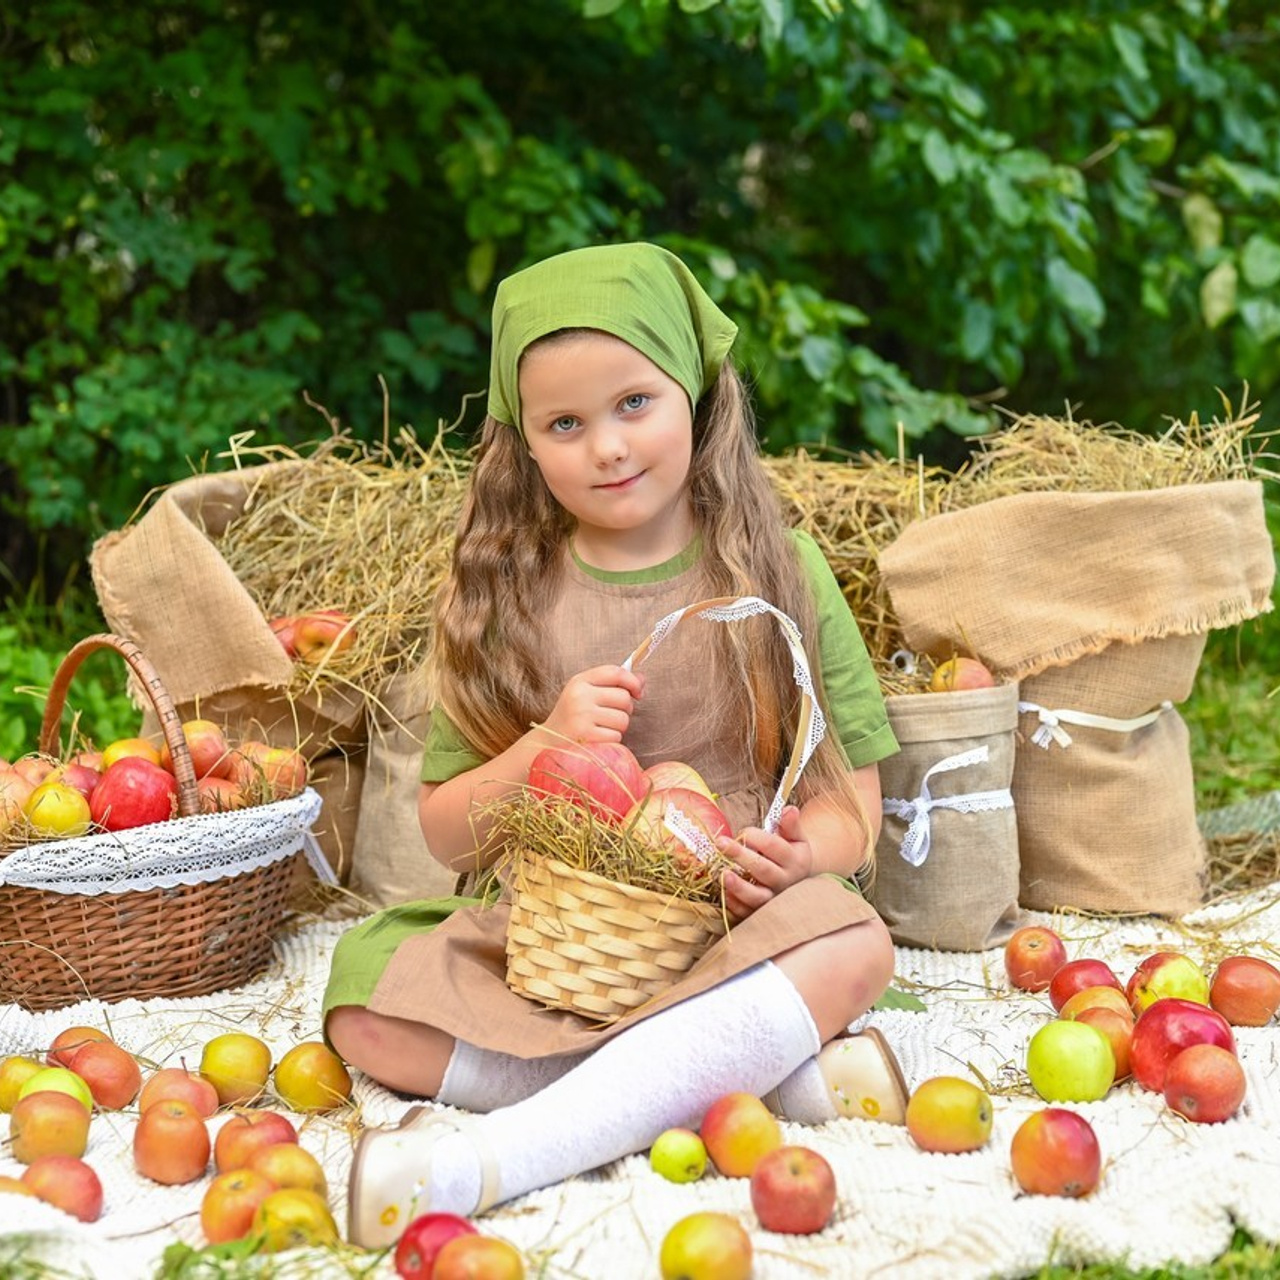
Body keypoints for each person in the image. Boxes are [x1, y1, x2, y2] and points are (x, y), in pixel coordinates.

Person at [324, 242, 905, 1249]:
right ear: (525, 446)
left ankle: (491, 1157)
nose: (606, 446)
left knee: (853, 939)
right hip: (567, 939)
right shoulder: (506, 599)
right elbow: (450, 838)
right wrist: (543, 743)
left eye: (634, 402)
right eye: (565, 423)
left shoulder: (783, 568)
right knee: (363, 1002)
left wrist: (808, 854)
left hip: (735, 922)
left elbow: (854, 803)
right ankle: (753, 1073)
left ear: (692, 392)